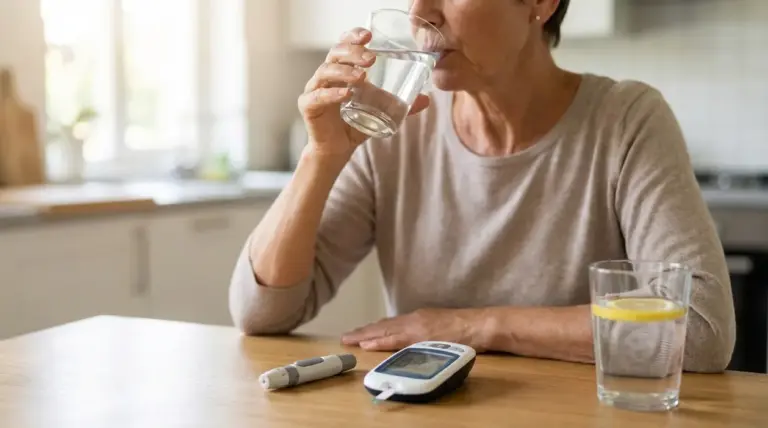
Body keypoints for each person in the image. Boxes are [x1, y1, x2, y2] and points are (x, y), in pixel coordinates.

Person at [229, 0, 736, 372]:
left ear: (539, 4)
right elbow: (262, 312)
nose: (420, 14)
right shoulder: (394, 127)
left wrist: (474, 326)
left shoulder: (627, 121)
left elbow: (699, 330)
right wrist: (320, 158)